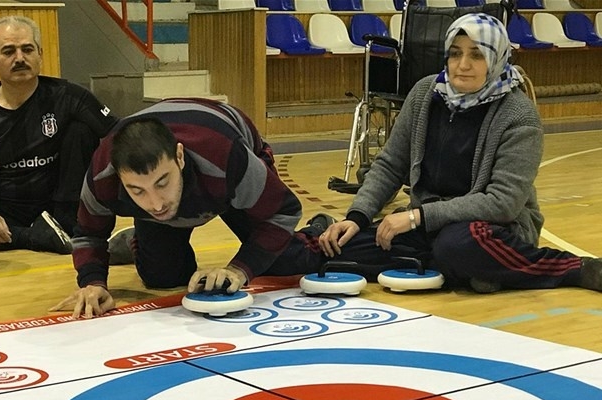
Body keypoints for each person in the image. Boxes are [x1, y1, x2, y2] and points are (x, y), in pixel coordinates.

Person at [317, 13, 601, 293]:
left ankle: (574, 268)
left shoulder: (519, 115)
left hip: (491, 230)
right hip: (425, 226)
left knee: (457, 245)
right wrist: (357, 217)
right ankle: (468, 271)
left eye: (476, 55)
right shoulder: (424, 94)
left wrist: (418, 217)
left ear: (496, 58)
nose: (462, 65)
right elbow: (390, 166)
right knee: (337, 247)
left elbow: (503, 203)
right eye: (455, 54)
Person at [52, 98, 331, 318]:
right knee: (163, 278)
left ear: (180, 156)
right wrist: (93, 283)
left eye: (162, 182)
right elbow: (88, 233)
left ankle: (318, 228)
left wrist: (238, 270)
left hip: (224, 175)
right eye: (137, 190)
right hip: (197, 177)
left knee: (285, 263)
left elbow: (282, 210)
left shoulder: (227, 157)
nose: (156, 203)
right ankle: (139, 238)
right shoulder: (102, 173)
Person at [0, 15, 118, 255]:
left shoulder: (70, 97)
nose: (20, 58)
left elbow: (122, 135)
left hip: (59, 210)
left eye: (27, 49)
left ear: (40, 53)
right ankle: (36, 238)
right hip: (5, 214)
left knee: (81, 131)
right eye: (8, 51)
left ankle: (67, 230)